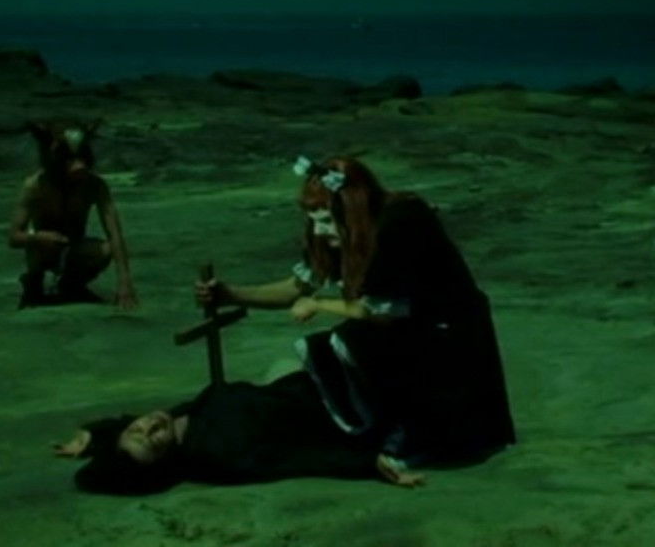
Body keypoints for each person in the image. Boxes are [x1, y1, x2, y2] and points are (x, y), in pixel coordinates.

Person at [193, 155, 515, 469]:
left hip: (446, 331)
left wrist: (319, 304)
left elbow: (382, 312)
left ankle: (421, 434)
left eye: (325, 220)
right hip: (400, 324)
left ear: (351, 209)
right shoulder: (336, 235)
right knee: (337, 349)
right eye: (313, 220)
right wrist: (231, 294)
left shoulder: (401, 222)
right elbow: (297, 287)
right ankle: (381, 425)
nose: (318, 231)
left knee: (353, 343)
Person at [52, 369, 426, 495]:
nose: (150, 425)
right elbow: (295, 460)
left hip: (305, 382)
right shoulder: (222, 453)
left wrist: (94, 436)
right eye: (153, 439)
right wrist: (368, 464)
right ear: (167, 461)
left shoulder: (178, 426)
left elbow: (135, 427)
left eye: (137, 428)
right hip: (346, 406)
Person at [9, 119, 138, 310]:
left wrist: (125, 282)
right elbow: (13, 237)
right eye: (69, 159)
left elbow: (115, 235)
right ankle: (34, 283)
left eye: (81, 158)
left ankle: (71, 284)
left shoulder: (95, 185)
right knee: (34, 247)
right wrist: (41, 237)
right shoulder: (35, 186)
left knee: (106, 250)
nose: (78, 166)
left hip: (74, 246)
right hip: (43, 249)